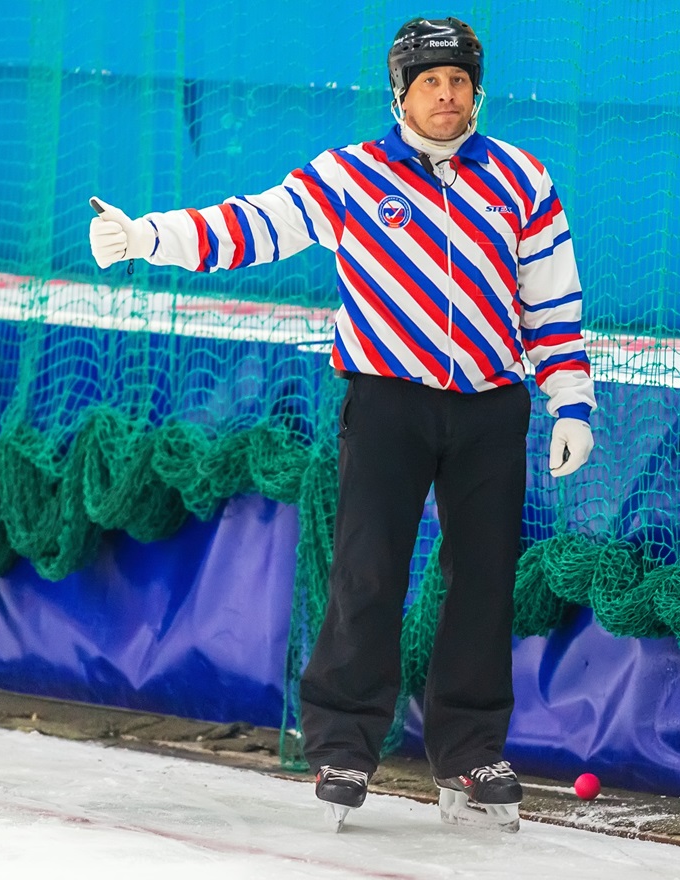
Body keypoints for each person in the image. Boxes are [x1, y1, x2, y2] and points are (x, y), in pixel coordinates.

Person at [87, 16, 596, 833]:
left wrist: (570, 400)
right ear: (401, 92)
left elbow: (552, 301)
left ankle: (470, 752)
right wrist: (151, 236)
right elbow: (255, 224)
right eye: (430, 82)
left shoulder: (523, 179)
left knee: (484, 580)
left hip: (491, 408)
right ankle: (345, 745)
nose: (445, 95)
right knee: (369, 572)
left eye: (458, 82)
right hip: (388, 401)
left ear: (477, 93)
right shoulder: (354, 175)